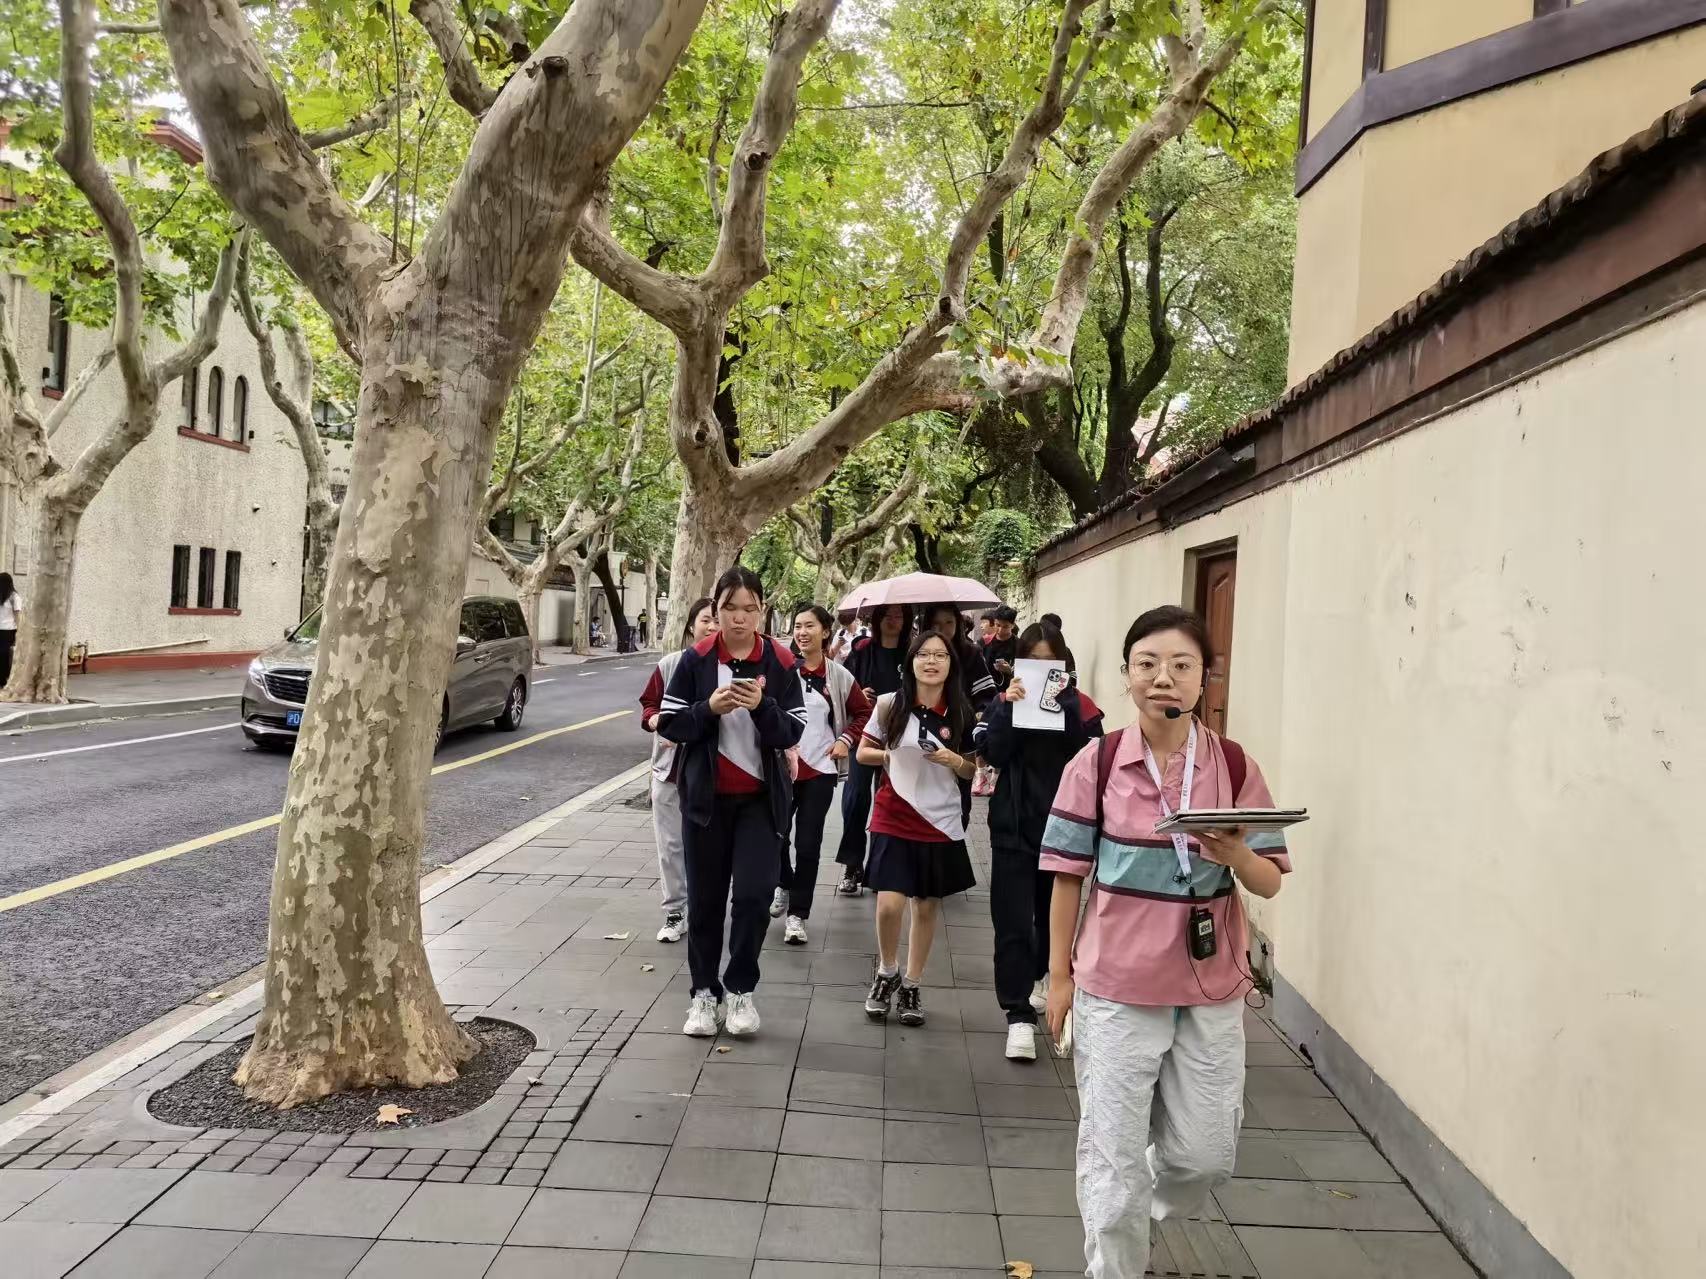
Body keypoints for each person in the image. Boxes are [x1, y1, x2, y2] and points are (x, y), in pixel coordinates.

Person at [1040, 605, 1291, 1278]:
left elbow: (1269, 881)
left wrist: (1236, 854)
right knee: (1112, 1161)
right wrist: (1059, 977)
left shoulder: (1232, 765)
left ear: (1204, 679)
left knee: (1204, 1156)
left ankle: (1132, 1203)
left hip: (1209, 988)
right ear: (1127, 676)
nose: (1163, 678)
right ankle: (1115, 1260)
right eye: (1147, 664)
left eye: (1182, 665)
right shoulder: (1096, 763)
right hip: (1116, 985)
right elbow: (1066, 876)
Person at [658, 567, 805, 1038]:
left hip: (761, 803)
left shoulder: (780, 660)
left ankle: (741, 988)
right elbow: (670, 723)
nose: (739, 618)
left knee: (755, 896)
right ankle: (704, 994)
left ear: (761, 611)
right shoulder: (696, 659)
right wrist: (709, 709)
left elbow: (794, 730)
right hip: (705, 803)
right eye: (729, 608)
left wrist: (761, 705)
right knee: (705, 903)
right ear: (715, 609)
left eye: (749, 609)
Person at [972, 620, 1103, 1061]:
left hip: (1064, 829)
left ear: (1064, 664)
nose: (1042, 669)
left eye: (1050, 662)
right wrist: (1009, 708)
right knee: (1011, 921)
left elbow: (1089, 760)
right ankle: (1018, 1015)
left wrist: (1066, 709)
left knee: (1053, 918)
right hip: (1012, 826)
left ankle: (1046, 978)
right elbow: (992, 753)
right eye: (1032, 661)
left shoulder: (1082, 707)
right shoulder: (1002, 703)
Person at [857, 630, 978, 1027]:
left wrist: (954, 761)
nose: (931, 662)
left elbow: (973, 769)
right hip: (893, 810)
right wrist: (890, 755)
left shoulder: (961, 712)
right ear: (910, 662)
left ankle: (912, 983)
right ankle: (886, 971)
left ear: (951, 664)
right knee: (889, 903)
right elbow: (862, 752)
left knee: (925, 907)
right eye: (923, 654)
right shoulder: (890, 705)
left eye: (940, 655)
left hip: (939, 819)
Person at [773, 604, 872, 944]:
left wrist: (845, 740)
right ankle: (783, 881)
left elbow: (863, 713)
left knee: (808, 844)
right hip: (781, 769)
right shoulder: (782, 671)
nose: (802, 633)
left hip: (820, 771)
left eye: (809, 626)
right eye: (798, 626)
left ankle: (798, 915)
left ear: (825, 631)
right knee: (775, 835)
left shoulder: (839, 676)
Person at [638, 596, 717, 943]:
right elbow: (649, 705)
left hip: (712, 773)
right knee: (670, 846)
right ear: (690, 626)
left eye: (717, 620)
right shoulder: (670, 664)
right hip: (669, 771)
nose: (711, 626)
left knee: (708, 846)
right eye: (705, 620)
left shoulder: (729, 668)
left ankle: (705, 908)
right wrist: (657, 721)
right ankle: (675, 911)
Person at [834, 604, 913, 895]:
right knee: (855, 799)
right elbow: (844, 687)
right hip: (864, 735)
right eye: (888, 615)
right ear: (877, 619)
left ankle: (883, 867)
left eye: (899, 615)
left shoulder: (913, 652)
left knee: (891, 802)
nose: (893, 620)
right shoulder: (862, 650)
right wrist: (859, 693)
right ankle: (852, 865)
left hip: (900, 737)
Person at [984, 605, 1019, 691]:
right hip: (988, 691)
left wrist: (1010, 671)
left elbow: (1024, 674)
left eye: (1005, 627)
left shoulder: (1020, 645)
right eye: (998, 625)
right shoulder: (985, 642)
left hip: (1010, 691)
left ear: (1013, 625)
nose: (1000, 630)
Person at [0, 573, 19, 689]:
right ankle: (3, 679)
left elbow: (17, 615)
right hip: (5, 630)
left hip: (8, 630)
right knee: (3, 655)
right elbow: (18, 616)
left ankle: (3, 679)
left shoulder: (13, 597)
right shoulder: (11, 597)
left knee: (4, 655)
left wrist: (19, 631)